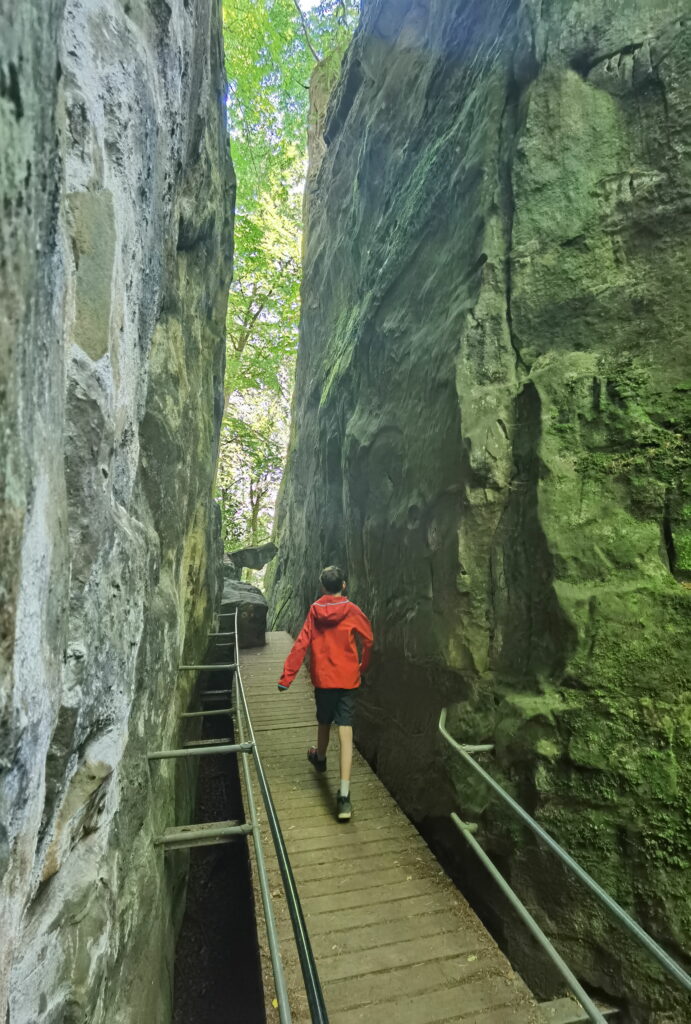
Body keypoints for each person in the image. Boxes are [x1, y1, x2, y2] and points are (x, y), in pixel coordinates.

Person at [277, 565, 373, 821]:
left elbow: (301, 643)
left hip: (324, 679)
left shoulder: (315, 611)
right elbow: (369, 639)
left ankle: (320, 757)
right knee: (345, 728)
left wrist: (287, 677)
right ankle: (343, 796)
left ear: (322, 587)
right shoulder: (352, 610)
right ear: (344, 585)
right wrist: (362, 666)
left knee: (323, 719)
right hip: (348, 678)